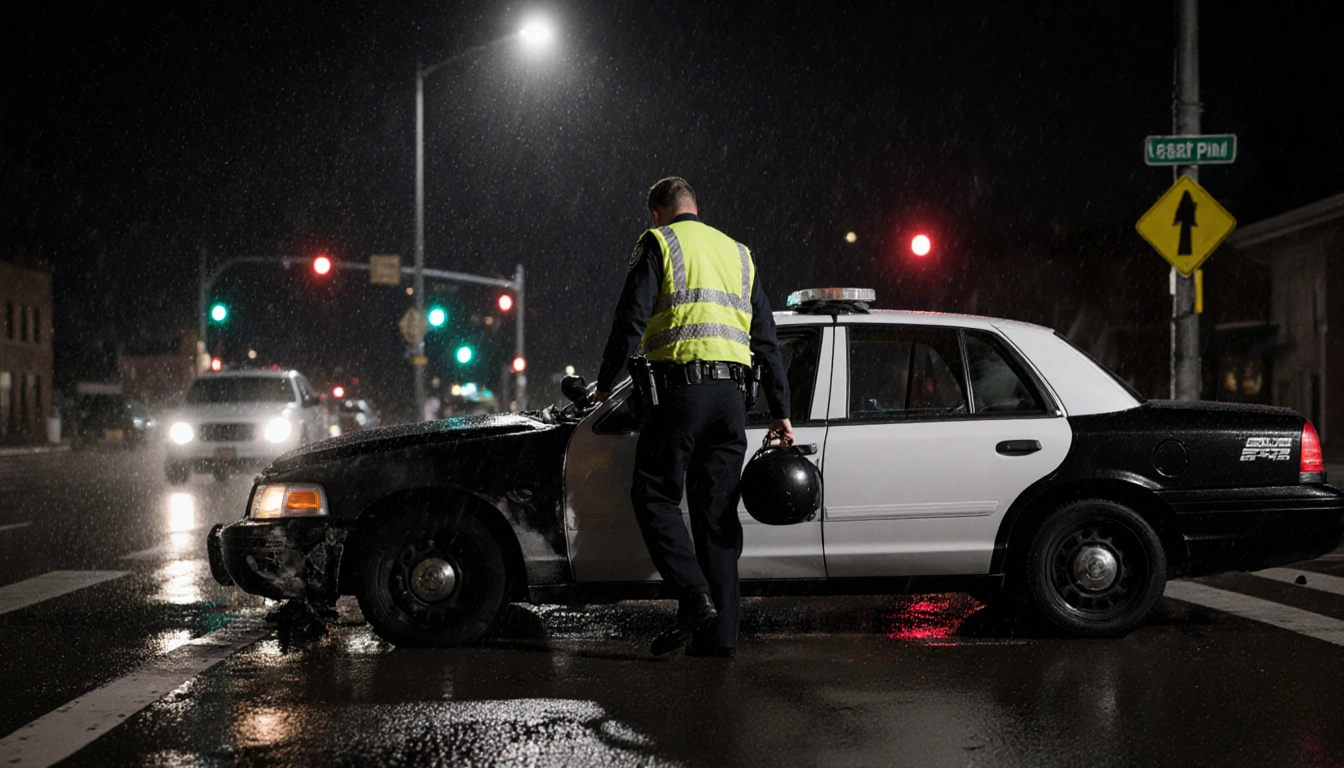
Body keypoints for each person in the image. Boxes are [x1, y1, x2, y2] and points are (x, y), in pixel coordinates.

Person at [596, 177, 793, 658]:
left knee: (653, 494)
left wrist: (605, 382)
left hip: (681, 394)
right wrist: (781, 410)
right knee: (717, 516)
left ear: (658, 212)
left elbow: (632, 318)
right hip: (732, 401)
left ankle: (692, 595)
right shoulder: (739, 253)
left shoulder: (658, 242)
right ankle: (720, 640)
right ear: (694, 206)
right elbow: (766, 338)